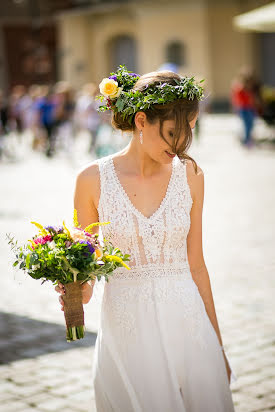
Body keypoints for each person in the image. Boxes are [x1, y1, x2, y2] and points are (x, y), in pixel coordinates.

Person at [56, 67, 236, 411]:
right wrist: (73, 284)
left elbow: (197, 265)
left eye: (190, 131)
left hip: (188, 325)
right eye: (172, 132)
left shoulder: (192, 176)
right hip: (128, 333)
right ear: (141, 121)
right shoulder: (91, 180)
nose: (182, 144)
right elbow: (89, 276)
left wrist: (218, 346)